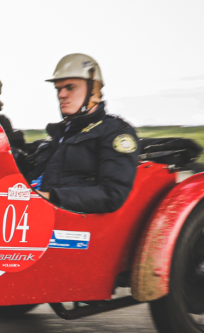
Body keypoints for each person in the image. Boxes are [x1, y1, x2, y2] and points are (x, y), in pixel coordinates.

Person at [28, 53, 139, 214]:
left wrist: (50, 197)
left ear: (93, 89)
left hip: (67, 222)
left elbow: (112, 194)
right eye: (58, 89)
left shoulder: (115, 132)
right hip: (35, 213)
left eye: (70, 87)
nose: (61, 95)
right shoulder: (61, 133)